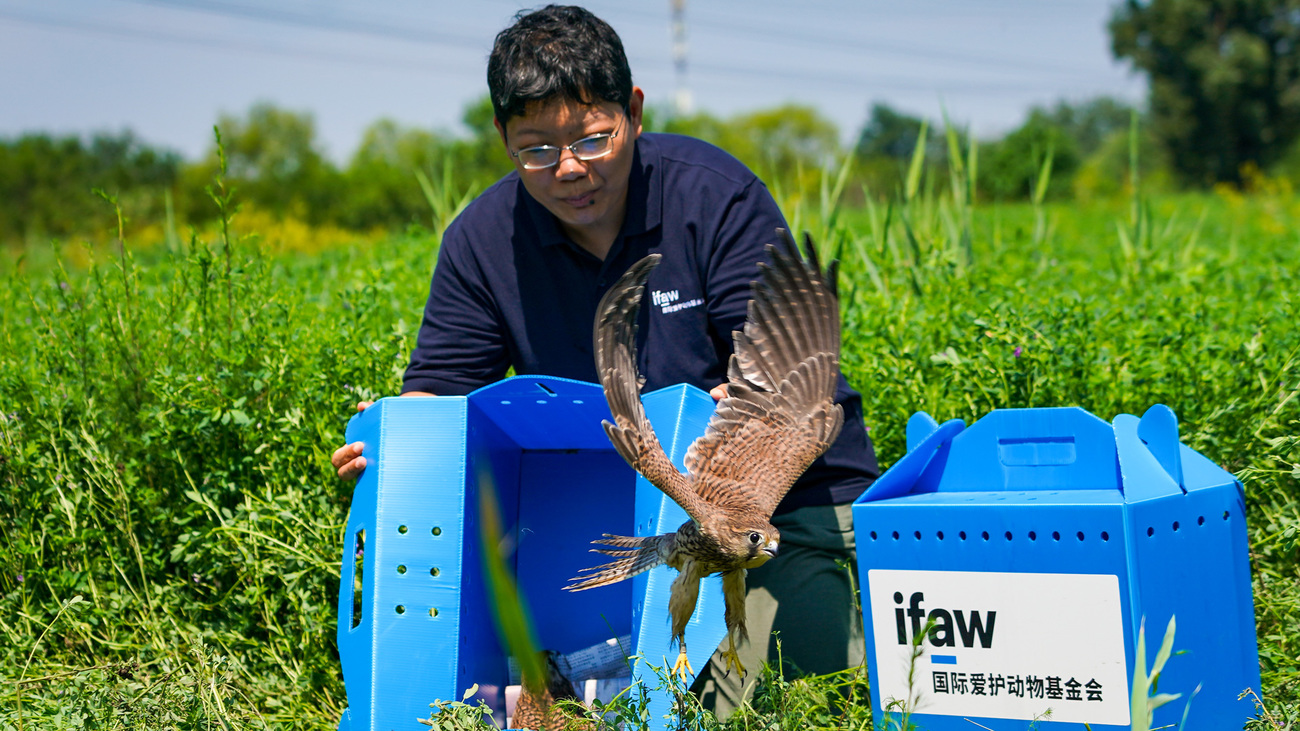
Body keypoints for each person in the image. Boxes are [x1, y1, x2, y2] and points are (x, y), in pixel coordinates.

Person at [330, 4, 880, 716]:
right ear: (502, 137)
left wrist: (745, 417)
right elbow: (440, 394)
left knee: (780, 694)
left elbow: (783, 373)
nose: (568, 170)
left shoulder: (712, 197)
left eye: (594, 138)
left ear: (635, 112)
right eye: (536, 149)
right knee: (576, 690)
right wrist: (395, 439)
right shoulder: (483, 241)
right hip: (609, 516)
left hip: (779, 511)